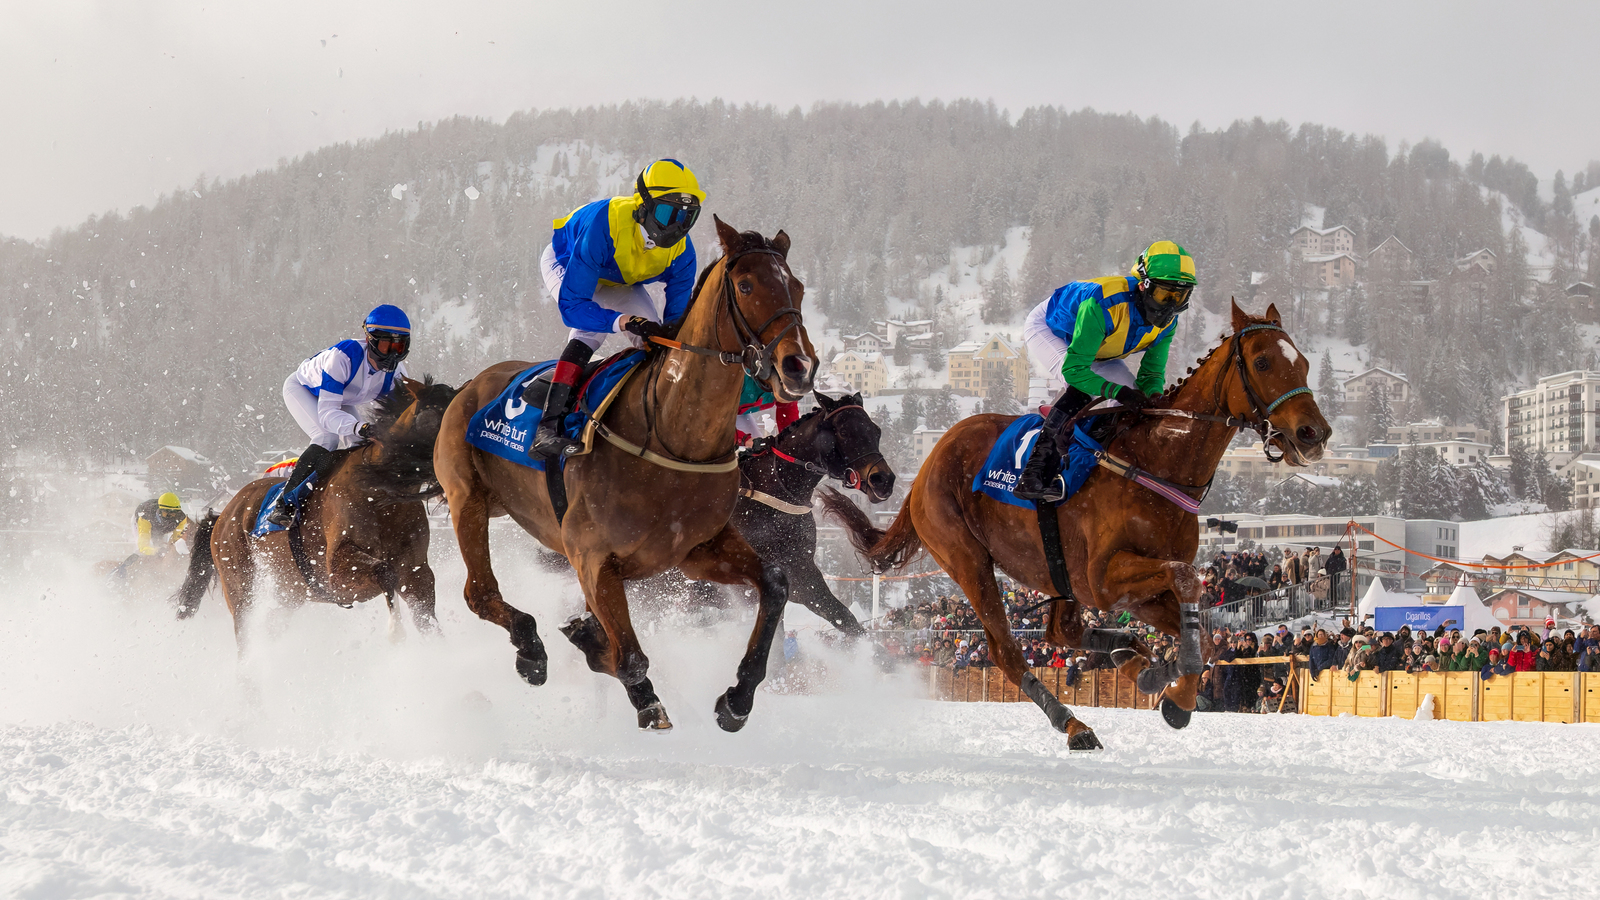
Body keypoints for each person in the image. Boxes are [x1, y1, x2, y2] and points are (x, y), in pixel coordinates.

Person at [529, 159, 706, 459]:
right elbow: (573, 307)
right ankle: (547, 427)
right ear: (644, 207)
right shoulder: (603, 225)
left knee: (659, 342)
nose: (677, 228)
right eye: (668, 213)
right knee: (589, 330)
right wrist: (622, 321)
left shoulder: (683, 253)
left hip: (620, 276)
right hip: (567, 263)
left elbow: (676, 326)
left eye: (688, 217)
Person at [1013, 241, 1197, 501]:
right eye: (1163, 294)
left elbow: (1152, 375)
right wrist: (1116, 392)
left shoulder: (1169, 323)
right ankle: (1034, 474)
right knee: (1081, 390)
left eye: (1179, 296)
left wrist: (1154, 397)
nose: (1170, 305)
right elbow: (1076, 370)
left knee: (1137, 399)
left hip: (1099, 346)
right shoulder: (1102, 303)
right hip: (1052, 330)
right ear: (1144, 285)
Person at [266, 304, 412, 527]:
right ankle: (285, 503)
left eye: (399, 347)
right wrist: (360, 427)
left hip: (341, 399)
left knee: (361, 445)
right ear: (370, 339)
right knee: (327, 438)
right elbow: (327, 415)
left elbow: (400, 421)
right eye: (386, 345)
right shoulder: (343, 357)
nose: (393, 354)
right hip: (304, 389)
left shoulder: (397, 374)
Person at [133, 492, 191, 557]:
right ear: (160, 510)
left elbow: (176, 539)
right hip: (140, 521)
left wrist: (168, 548)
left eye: (174, 512)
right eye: (167, 511)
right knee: (144, 550)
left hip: (161, 527)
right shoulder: (145, 517)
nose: (171, 515)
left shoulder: (181, 518)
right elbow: (143, 545)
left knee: (163, 547)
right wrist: (155, 551)